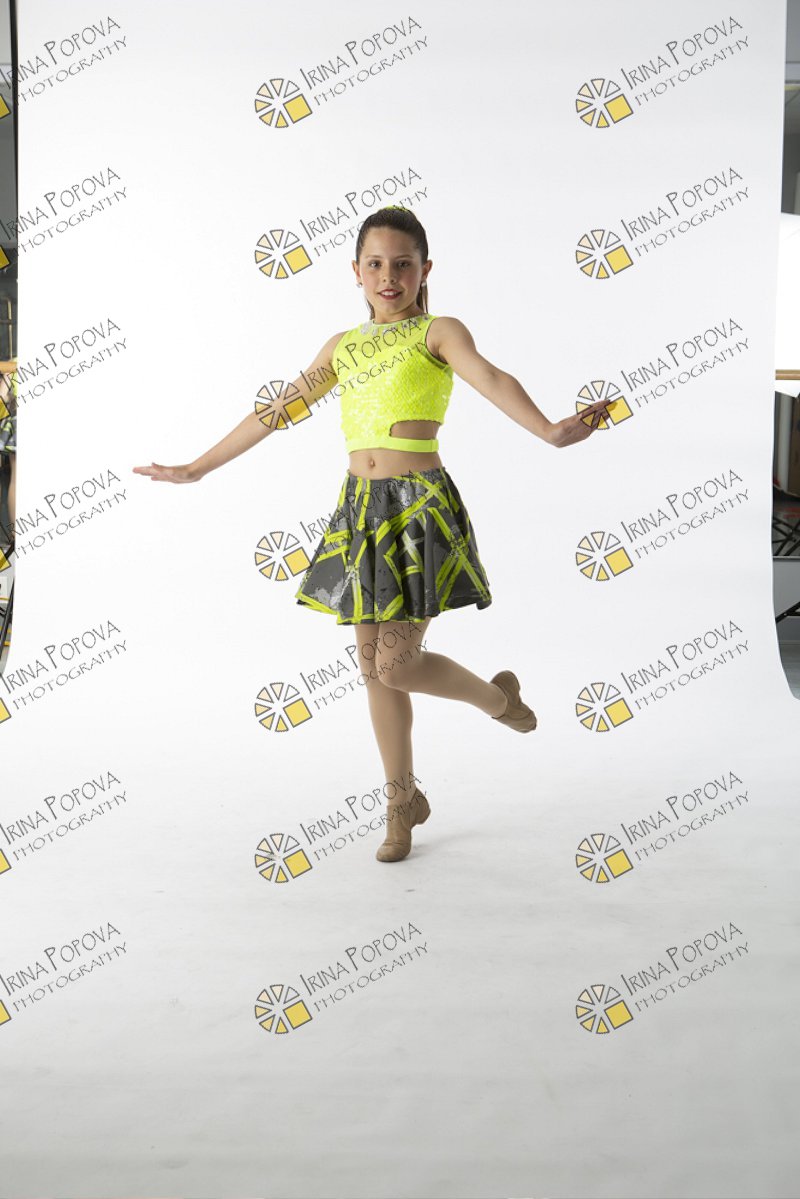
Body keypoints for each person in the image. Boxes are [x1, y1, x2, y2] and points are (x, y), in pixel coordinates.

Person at [133, 206, 613, 864]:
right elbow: (278, 409)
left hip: (418, 508)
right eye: (376, 264)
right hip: (360, 510)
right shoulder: (343, 346)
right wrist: (196, 468)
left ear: (425, 270)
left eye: (403, 264)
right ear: (356, 271)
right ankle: (401, 801)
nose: (389, 276)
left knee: (397, 662)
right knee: (374, 672)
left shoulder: (438, 332)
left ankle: (498, 698)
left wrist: (552, 431)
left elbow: (492, 378)